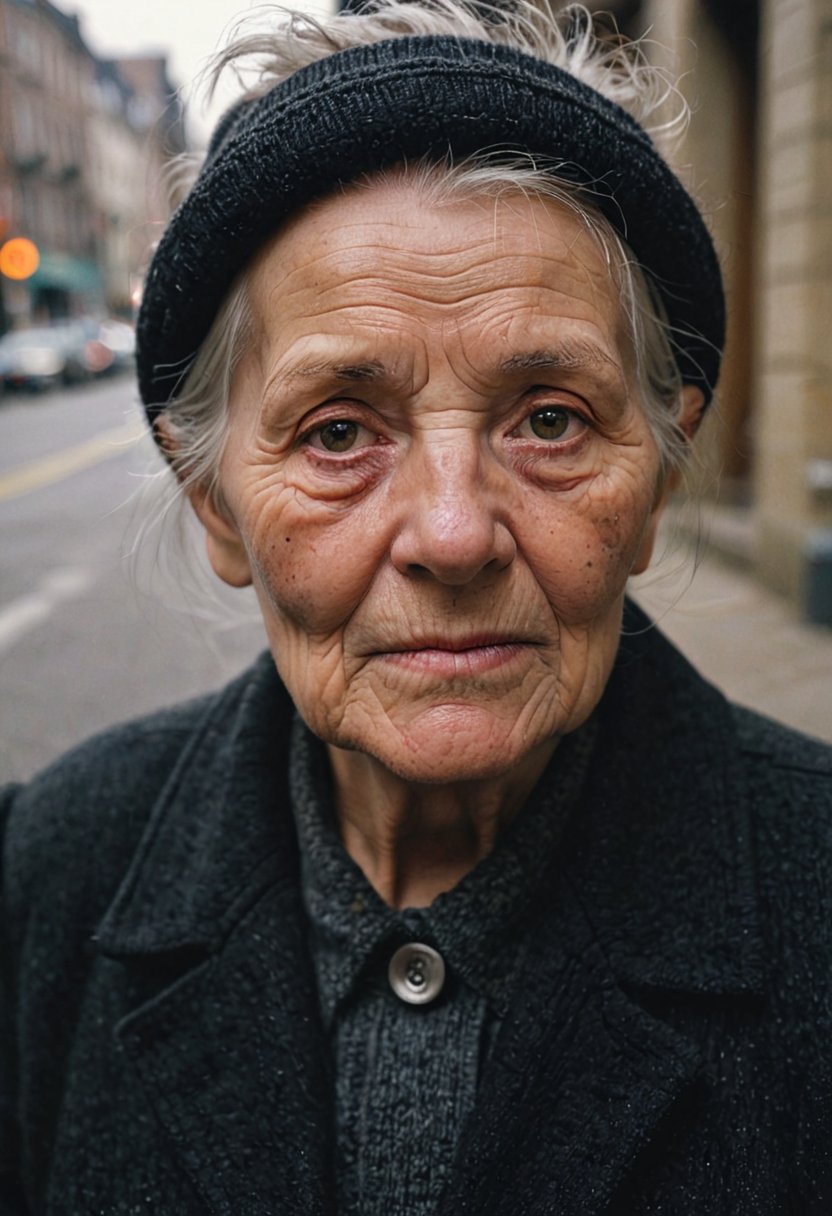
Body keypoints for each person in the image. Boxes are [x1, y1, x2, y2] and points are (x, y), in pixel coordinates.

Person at [2, 2, 831, 1212]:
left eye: (550, 419)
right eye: (338, 432)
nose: (452, 533)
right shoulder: (47, 877)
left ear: (654, 483)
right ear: (219, 508)